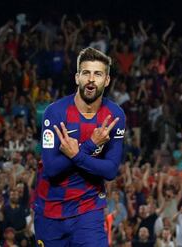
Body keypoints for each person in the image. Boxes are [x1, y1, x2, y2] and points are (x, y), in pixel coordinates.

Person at [34, 47, 126, 246]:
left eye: (98, 74)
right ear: (77, 78)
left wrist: (77, 154)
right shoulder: (55, 113)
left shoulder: (115, 116)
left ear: (107, 80)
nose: (91, 79)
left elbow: (110, 171)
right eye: (86, 73)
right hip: (50, 210)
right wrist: (90, 145)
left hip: (88, 209)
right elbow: (51, 169)